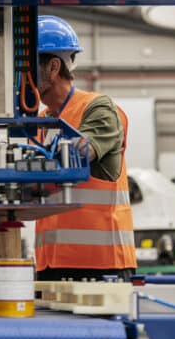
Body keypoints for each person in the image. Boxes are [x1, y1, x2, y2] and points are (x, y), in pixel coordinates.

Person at [34, 15, 136, 281]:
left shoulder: (98, 109)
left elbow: (80, 153)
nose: (19, 77)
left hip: (101, 266)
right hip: (51, 264)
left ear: (53, 67)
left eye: (25, 67)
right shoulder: (43, 120)